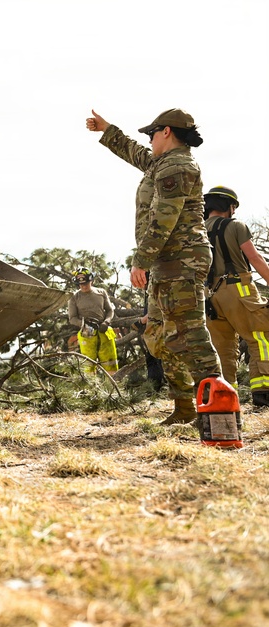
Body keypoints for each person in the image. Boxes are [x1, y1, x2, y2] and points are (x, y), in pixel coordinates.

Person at [86, 108, 227, 425]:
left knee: (191, 335)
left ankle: (219, 413)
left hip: (183, 260)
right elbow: (135, 153)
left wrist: (141, 260)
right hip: (168, 261)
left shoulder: (178, 166)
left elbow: (166, 218)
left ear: (167, 132)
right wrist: (108, 131)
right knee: (160, 335)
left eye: (152, 134)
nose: (148, 140)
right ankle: (185, 408)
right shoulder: (162, 163)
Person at [203, 186, 269, 407]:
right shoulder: (236, 226)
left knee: (223, 349)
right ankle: (264, 393)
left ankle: (224, 398)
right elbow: (255, 257)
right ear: (228, 206)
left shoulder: (197, 231)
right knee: (260, 338)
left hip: (209, 297)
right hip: (238, 289)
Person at [68, 268, 118, 374]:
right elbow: (72, 318)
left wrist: (106, 322)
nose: (83, 286)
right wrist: (84, 324)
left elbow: (110, 310)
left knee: (110, 363)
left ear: (91, 281)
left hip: (104, 330)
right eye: (80, 284)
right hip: (87, 332)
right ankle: (90, 389)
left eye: (85, 283)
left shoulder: (101, 292)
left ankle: (113, 387)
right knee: (88, 366)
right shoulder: (74, 297)